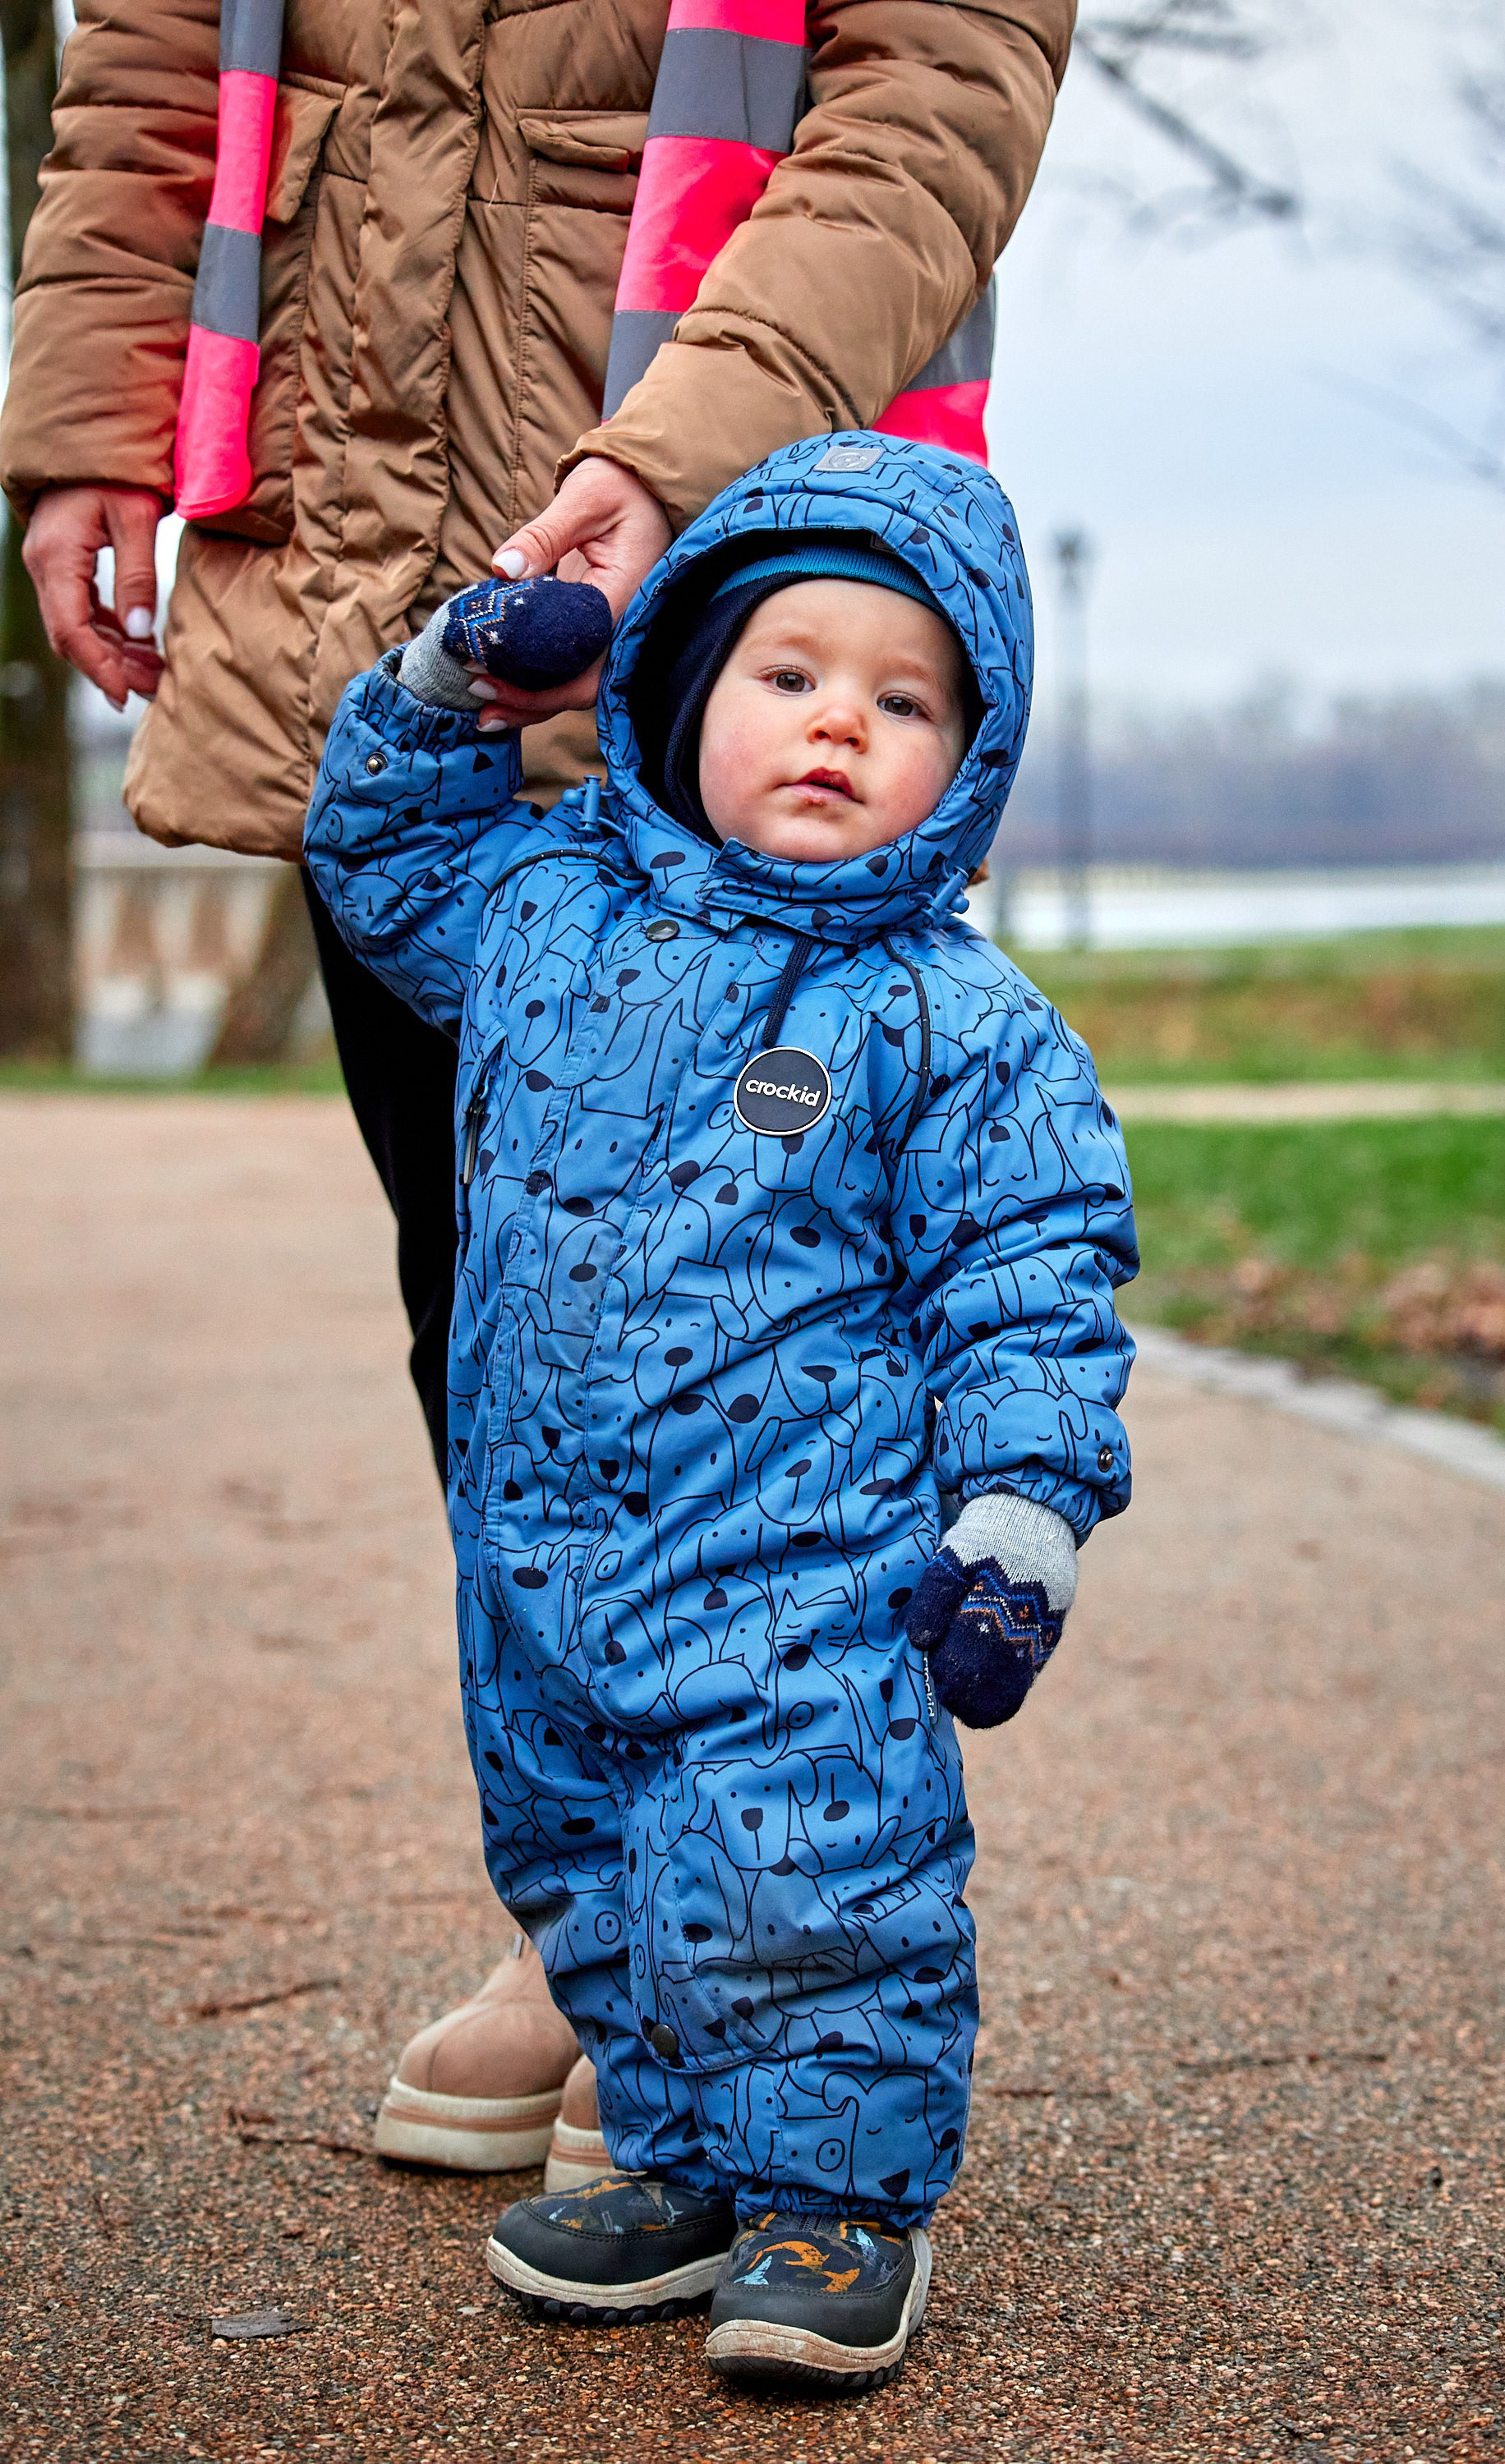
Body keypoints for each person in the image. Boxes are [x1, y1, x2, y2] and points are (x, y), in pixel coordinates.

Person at [0, 0, 1078, 2168]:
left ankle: (767, 1940)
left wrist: (689, 450)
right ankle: (594, 1920)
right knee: (498, 1304)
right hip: (345, 548)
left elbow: (939, 80)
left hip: (719, 527)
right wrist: (87, 416)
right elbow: (138, 64)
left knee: (764, 1333)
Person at [306, 430, 1137, 2388]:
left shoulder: (954, 1023)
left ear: (973, 755)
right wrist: (444, 687)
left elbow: (1034, 1280)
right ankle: (679, 2155)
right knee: (583, 1858)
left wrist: (1018, 1511)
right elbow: (382, 852)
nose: (840, 724)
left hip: (799, 1587)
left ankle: (837, 2198)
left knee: (802, 1878)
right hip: (542, 1564)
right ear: (684, 693)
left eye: (904, 698)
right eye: (791, 674)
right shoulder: (545, 915)